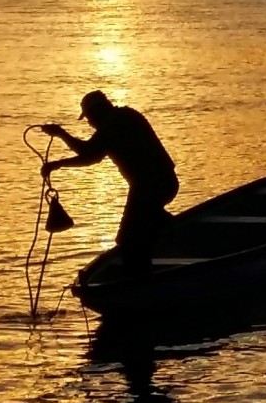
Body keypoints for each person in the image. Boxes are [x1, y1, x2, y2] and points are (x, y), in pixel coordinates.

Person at [42, 91, 178, 275]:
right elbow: (93, 155)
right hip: (161, 183)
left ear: (98, 111)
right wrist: (59, 163)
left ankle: (139, 277)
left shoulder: (114, 124)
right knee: (149, 223)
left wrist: (60, 135)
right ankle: (179, 236)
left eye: (89, 118)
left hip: (151, 186)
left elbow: (88, 153)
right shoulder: (124, 117)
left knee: (127, 238)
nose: (90, 123)